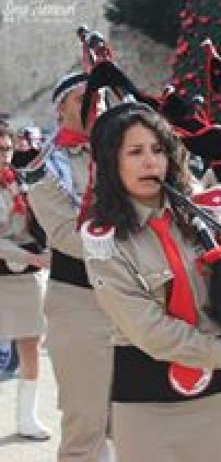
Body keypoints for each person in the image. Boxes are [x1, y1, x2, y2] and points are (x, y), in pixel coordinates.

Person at [80, 102, 221, 461]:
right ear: (111, 163)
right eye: (135, 152)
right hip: (143, 400)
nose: (151, 162)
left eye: (158, 150)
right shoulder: (104, 242)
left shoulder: (208, 212)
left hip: (214, 396)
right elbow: (147, 329)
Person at [27, 72, 114, 462]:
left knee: (138, 418)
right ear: (61, 107)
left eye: (99, 96)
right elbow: (67, 237)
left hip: (137, 297)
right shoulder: (46, 167)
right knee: (87, 424)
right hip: (83, 303)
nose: (95, 103)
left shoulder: (125, 152)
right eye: (84, 98)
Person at [0, 123, 51, 440]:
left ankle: (26, 418)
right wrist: (34, 258)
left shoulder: (17, 180)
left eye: (6, 149)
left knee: (31, 345)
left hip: (28, 277)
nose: (4, 156)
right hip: (6, 273)